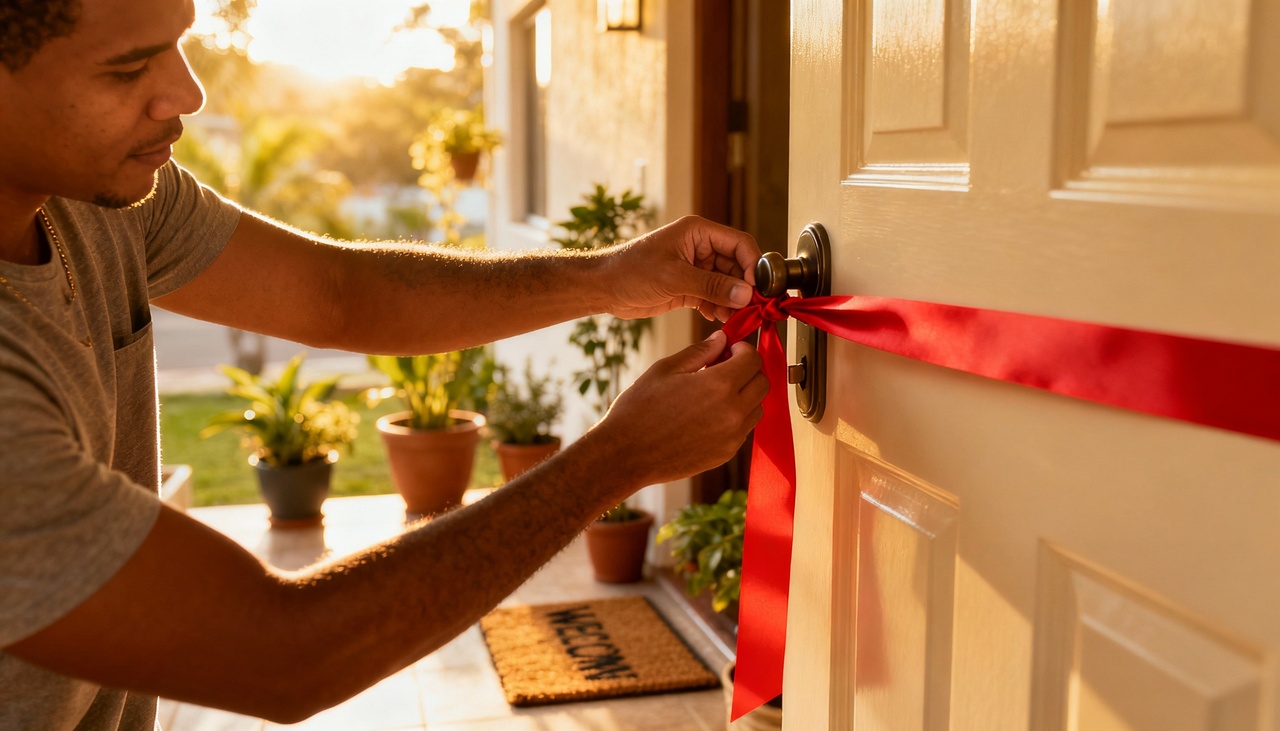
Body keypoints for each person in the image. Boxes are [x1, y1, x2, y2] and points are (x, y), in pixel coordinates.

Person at [0, 0, 768, 728]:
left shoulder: (97, 199)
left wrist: (607, 279)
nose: (187, 92)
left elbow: (338, 295)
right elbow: (285, 652)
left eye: (179, 38)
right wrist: (620, 456)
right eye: (129, 68)